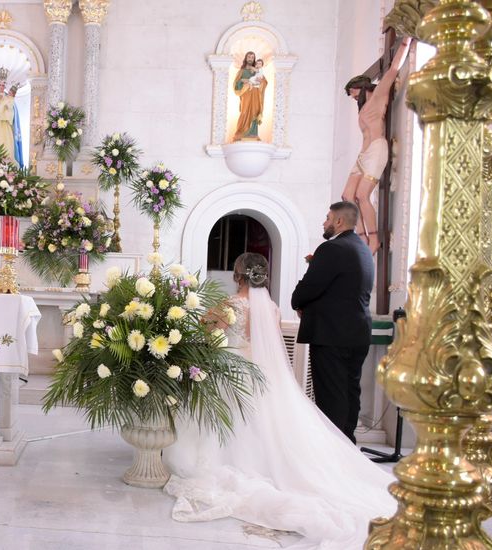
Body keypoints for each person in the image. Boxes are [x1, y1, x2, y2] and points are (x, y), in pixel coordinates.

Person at [164, 252, 393, 549]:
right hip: (264, 376)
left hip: (233, 372)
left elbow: (206, 335)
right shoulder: (271, 308)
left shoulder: (229, 305)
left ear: (237, 275)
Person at [291, 201, 374, 445]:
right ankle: (347, 446)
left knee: (331, 396)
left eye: (328, 218)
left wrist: (298, 301)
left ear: (339, 221)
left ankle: (334, 450)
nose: (324, 223)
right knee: (349, 392)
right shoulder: (363, 249)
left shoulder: (332, 249)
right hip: (357, 333)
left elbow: (308, 289)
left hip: (331, 335)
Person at [341, 37, 412, 254]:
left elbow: (391, 70)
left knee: (363, 195)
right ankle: (361, 236)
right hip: (363, 155)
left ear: (360, 88)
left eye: (354, 95)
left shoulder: (379, 96)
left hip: (376, 149)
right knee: (347, 196)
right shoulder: (364, 108)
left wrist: (405, 42)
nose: (355, 100)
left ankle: (373, 240)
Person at [233, 51, 267, 141]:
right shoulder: (241, 71)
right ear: (246, 58)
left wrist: (262, 81)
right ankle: (240, 133)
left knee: (255, 113)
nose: (250, 59)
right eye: (249, 57)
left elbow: (264, 82)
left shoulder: (258, 71)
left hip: (255, 95)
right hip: (246, 95)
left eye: (252, 57)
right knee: (244, 112)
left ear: (254, 59)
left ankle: (253, 134)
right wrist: (243, 81)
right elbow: (236, 85)